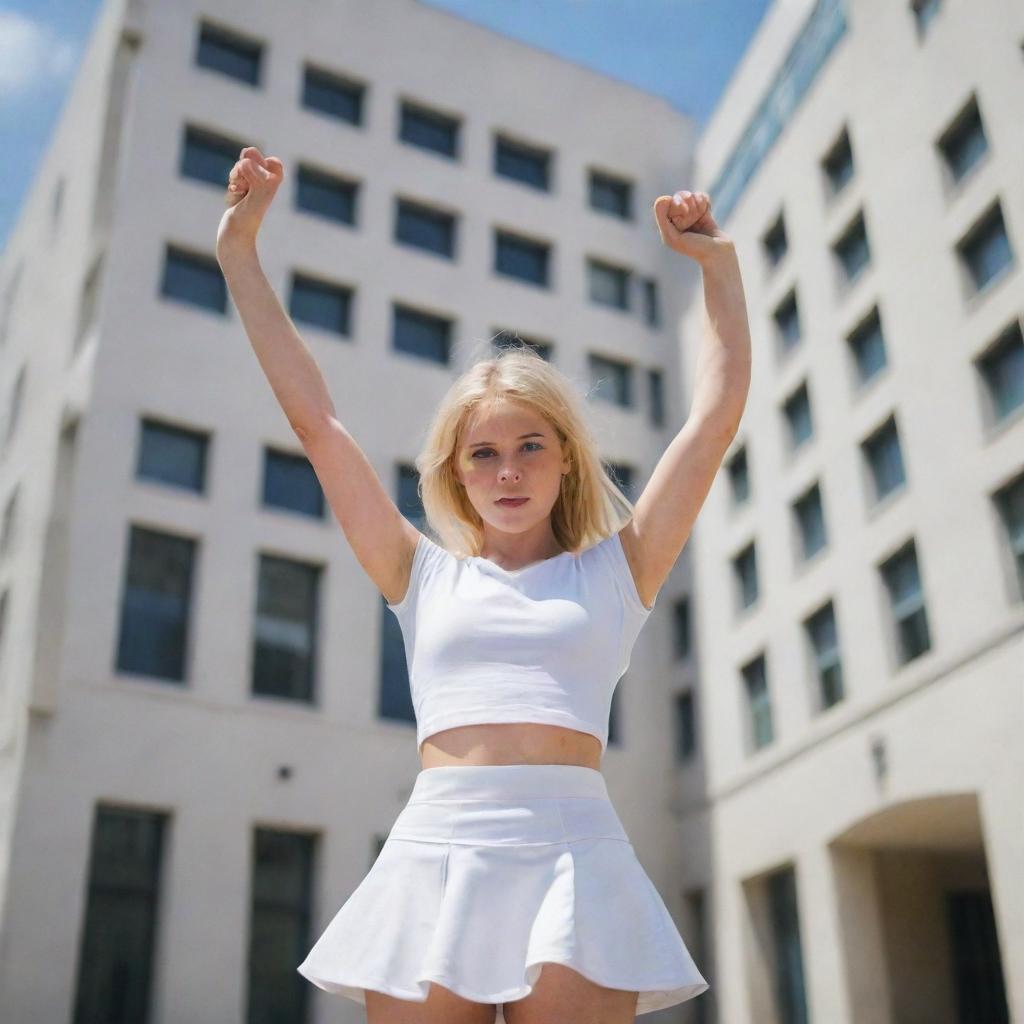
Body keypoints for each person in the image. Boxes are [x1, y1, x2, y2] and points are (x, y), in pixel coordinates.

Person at [218, 146, 751, 1024]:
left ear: (567, 457)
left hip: (576, 853)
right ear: (457, 473)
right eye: (484, 454)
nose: (508, 472)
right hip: (437, 851)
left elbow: (714, 417)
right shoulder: (416, 571)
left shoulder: (619, 569)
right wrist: (240, 252)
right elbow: (316, 422)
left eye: (530, 446)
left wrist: (718, 268)